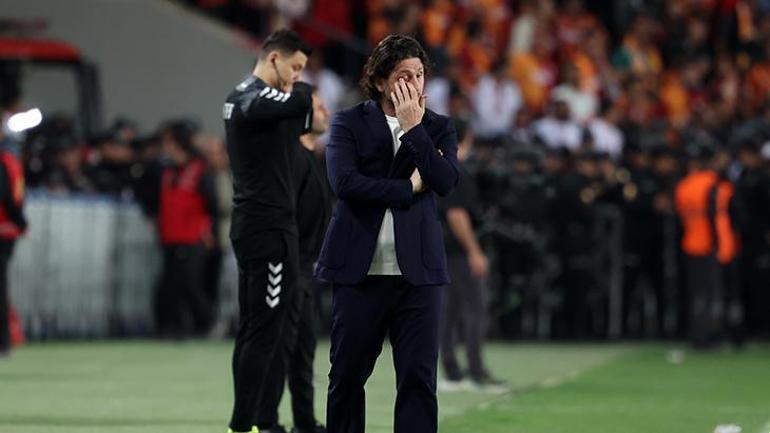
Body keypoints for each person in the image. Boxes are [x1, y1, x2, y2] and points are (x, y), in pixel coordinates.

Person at [315, 35, 459, 433]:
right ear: (380, 82)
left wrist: (414, 130)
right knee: (346, 375)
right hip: (360, 272)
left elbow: (445, 181)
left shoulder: (438, 127)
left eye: (419, 74)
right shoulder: (348, 122)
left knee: (418, 379)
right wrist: (408, 188)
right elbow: (345, 183)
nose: (414, 83)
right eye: (403, 75)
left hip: (419, 275)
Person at [222, 29, 313, 433]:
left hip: (260, 226)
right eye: (295, 67)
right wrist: (302, 90)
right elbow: (301, 100)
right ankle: (246, 424)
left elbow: (297, 117)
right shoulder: (250, 97)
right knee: (264, 331)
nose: (297, 77)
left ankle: (250, 422)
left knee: (255, 329)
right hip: (268, 230)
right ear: (274, 58)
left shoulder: (248, 100)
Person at [256, 89, 331, 433]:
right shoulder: (289, 160)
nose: (326, 111)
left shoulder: (315, 159)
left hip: (307, 267)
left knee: (303, 348)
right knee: (280, 347)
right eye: (319, 106)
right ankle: (265, 421)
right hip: (287, 266)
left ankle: (305, 420)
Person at [438, 120, 507, 392]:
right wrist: (474, 251)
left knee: (450, 311)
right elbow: (456, 214)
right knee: (475, 308)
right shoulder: (459, 170)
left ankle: (453, 373)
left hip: (441, 248)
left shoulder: (438, 168)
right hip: (458, 251)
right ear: (467, 138)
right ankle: (476, 372)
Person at [154, 120, 217, 338]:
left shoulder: (200, 170)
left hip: (193, 237)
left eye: (168, 141)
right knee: (168, 285)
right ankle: (171, 328)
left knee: (190, 284)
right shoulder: (167, 171)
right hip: (170, 236)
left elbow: (212, 205)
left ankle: (206, 324)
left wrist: (209, 233)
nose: (165, 146)